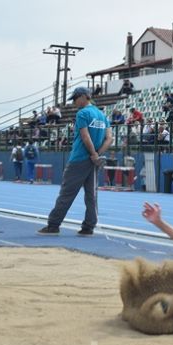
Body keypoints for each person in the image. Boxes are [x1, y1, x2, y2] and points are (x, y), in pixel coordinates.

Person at [38, 87, 112, 236]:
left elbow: (85, 137)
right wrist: (97, 155)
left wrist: (92, 154)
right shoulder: (102, 115)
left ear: (85, 96)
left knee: (66, 193)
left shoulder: (83, 113)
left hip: (79, 159)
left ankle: (53, 225)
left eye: (76, 98)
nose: (74, 102)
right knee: (91, 195)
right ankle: (88, 227)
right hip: (93, 161)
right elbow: (110, 138)